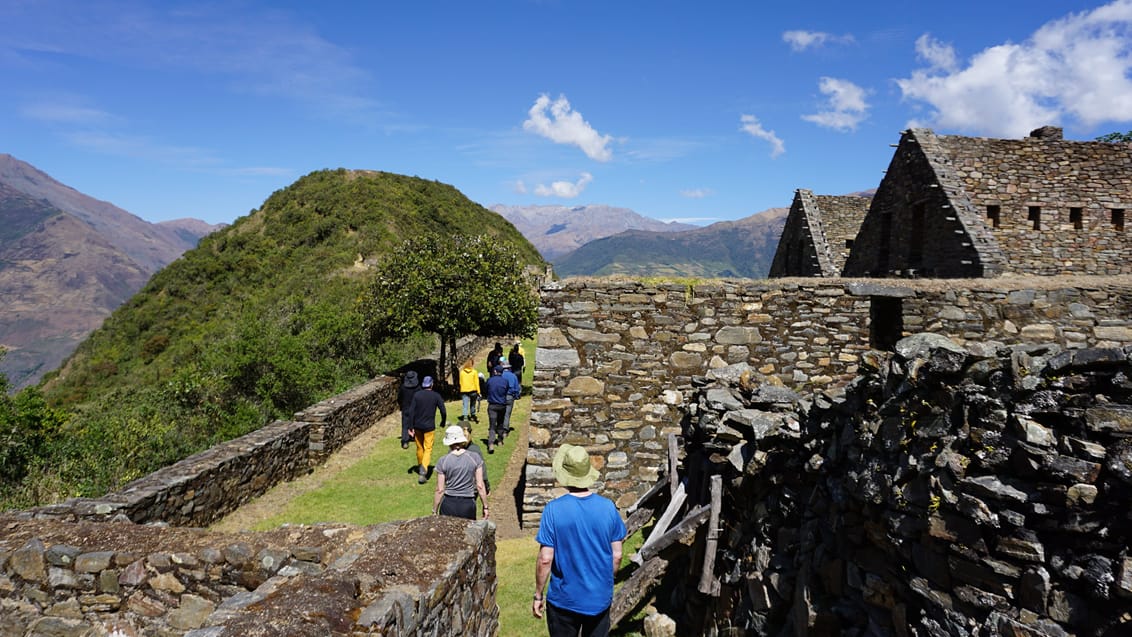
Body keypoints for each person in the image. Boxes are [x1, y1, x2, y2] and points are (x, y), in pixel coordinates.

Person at [533, 444, 627, 637]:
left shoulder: (553, 510)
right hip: (598, 598)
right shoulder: (608, 508)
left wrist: (538, 594)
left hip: (564, 600)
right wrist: (606, 580)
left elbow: (545, 559)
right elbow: (617, 555)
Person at [433, 425, 489, 520]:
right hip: (467, 504)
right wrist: (485, 507)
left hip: (448, 503)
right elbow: (480, 485)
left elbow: (440, 490)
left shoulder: (443, 461)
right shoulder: (475, 458)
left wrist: (434, 511)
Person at [406, 375, 446, 484]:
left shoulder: (417, 395)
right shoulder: (436, 396)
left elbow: (411, 412)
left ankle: (420, 465)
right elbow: (443, 410)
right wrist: (443, 421)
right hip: (429, 427)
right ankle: (423, 470)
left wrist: (410, 427)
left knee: (419, 448)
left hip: (417, 427)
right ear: (432, 384)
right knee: (428, 448)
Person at [485, 365, 509, 454]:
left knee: (492, 425)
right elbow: (506, 391)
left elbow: (486, 390)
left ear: (495, 371)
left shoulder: (490, 380)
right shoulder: (505, 381)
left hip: (492, 405)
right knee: (500, 423)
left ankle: (491, 443)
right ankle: (499, 440)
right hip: (502, 405)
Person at [398, 370, 421, 450]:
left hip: (406, 408)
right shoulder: (418, 387)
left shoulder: (403, 387)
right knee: (415, 423)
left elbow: (399, 398)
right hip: (415, 408)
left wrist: (401, 405)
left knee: (405, 425)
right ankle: (415, 437)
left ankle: (405, 441)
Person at [500, 360, 521, 437]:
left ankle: (500, 428)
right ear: (509, 368)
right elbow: (516, 388)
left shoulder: (500, 375)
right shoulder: (513, 376)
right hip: (510, 396)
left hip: (501, 396)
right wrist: (516, 395)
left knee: (501, 413)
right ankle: (505, 430)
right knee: (507, 414)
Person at [459, 358, 480, 423]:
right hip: (473, 390)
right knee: (473, 404)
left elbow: (460, 382)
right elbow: (477, 382)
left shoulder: (462, 372)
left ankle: (465, 417)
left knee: (465, 404)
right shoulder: (474, 372)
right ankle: (473, 415)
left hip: (464, 390)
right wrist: (479, 392)